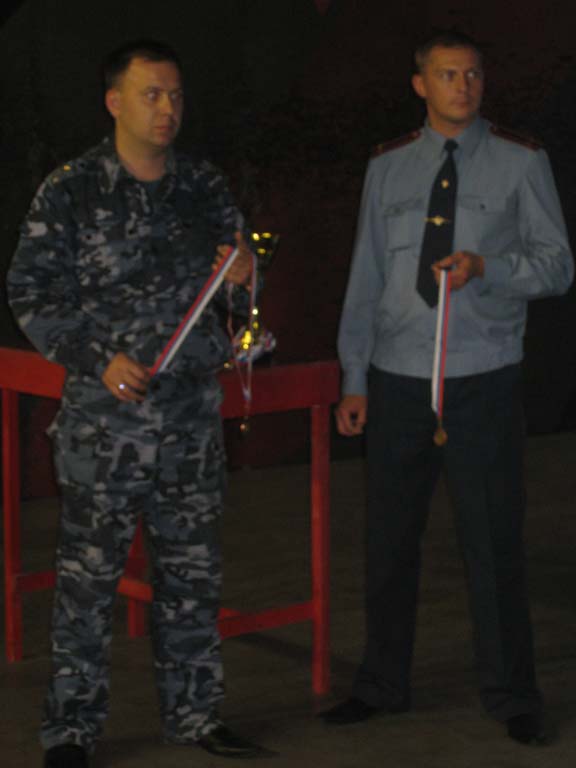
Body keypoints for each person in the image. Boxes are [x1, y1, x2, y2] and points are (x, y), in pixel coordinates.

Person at [8, 40, 270, 768]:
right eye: (151, 94)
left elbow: (239, 289)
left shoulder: (203, 186)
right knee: (87, 586)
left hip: (189, 422)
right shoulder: (71, 190)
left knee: (192, 578)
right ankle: (70, 731)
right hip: (106, 427)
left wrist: (247, 273)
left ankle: (195, 714)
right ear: (114, 101)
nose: (167, 109)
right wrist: (97, 357)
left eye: (176, 95)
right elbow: (29, 292)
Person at [319, 31, 573, 745]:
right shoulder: (389, 166)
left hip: (481, 377)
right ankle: (380, 684)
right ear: (419, 85)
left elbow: (558, 265)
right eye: (447, 74)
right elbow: (366, 275)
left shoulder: (522, 160)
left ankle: (512, 694)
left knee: (493, 543)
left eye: (473, 74)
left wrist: (488, 268)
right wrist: (355, 377)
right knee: (389, 542)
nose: (463, 86)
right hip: (398, 380)